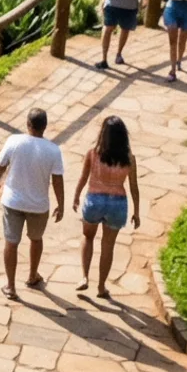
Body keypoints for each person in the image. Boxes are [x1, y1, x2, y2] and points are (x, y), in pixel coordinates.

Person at [0, 108, 66, 297]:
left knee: (11, 242)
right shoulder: (53, 150)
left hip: (13, 202)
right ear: (45, 127)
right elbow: (58, 180)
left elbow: (0, 165)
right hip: (39, 205)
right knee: (36, 239)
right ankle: (32, 275)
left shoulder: (14, 141)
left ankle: (10, 285)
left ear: (28, 124)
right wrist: (61, 204)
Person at [74, 117, 146, 297]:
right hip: (117, 203)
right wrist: (136, 212)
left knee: (87, 236)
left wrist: (76, 196)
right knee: (108, 246)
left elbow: (83, 177)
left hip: (94, 200)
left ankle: (84, 277)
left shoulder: (93, 153)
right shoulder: (129, 158)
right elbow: (134, 188)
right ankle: (101, 286)